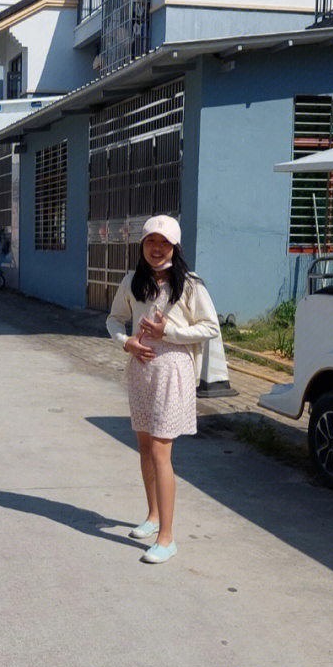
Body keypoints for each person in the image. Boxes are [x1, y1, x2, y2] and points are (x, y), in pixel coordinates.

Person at [106, 215, 219, 565]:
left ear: (175, 246)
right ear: (142, 245)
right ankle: (153, 516)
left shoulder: (189, 284)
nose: (157, 249)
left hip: (173, 371)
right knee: (143, 446)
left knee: (160, 451)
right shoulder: (132, 281)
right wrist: (126, 343)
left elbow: (210, 327)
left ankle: (167, 538)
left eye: (165, 242)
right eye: (151, 242)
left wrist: (168, 332)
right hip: (141, 370)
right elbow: (113, 320)